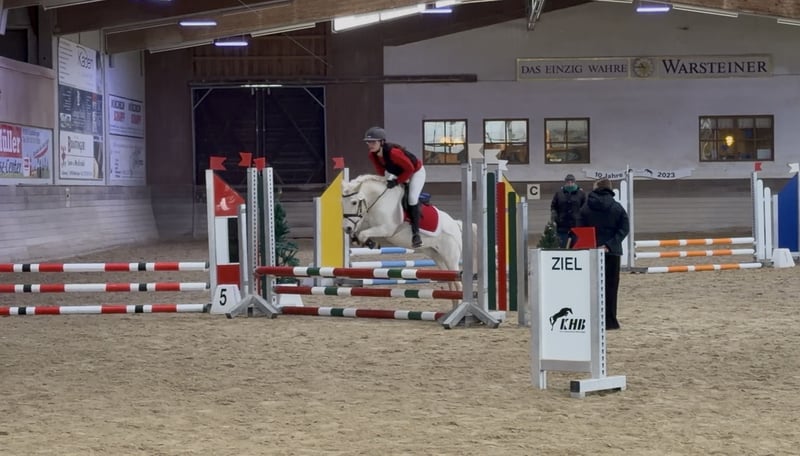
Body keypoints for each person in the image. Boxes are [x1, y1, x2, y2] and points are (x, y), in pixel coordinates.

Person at [576, 178, 630, 330]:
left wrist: (592, 245)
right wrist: (609, 245)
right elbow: (624, 228)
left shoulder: (585, 208)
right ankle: (610, 321)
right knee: (611, 287)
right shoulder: (617, 207)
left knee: (592, 287)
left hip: (591, 252)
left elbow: (580, 228)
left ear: (596, 188)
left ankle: (593, 318)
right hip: (612, 252)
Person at [363, 126, 426, 248]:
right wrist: (383, 182)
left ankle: (416, 233)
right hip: (398, 172)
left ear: (382, 142)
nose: (370, 145)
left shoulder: (394, 153)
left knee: (412, 198)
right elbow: (381, 171)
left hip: (416, 172)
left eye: (373, 142)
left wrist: (396, 182)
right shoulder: (372, 155)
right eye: (368, 142)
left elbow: (410, 169)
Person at [550, 174, 586, 248]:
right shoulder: (559, 193)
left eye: (571, 182)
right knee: (563, 247)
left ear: (574, 182)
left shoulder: (581, 194)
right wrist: (555, 217)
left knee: (576, 248)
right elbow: (553, 206)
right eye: (568, 182)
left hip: (577, 226)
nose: (570, 183)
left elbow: (584, 208)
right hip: (562, 226)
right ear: (565, 182)